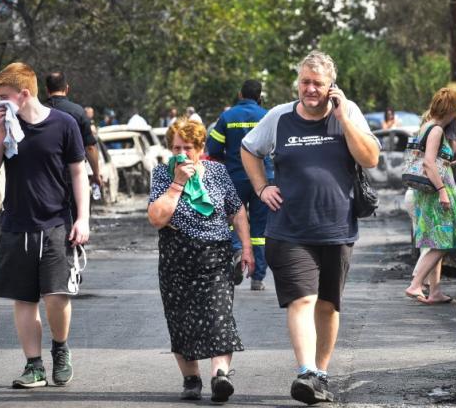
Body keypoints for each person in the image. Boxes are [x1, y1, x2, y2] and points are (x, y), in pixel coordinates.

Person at [241, 51, 379, 405]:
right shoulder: (279, 117)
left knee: (329, 306)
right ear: (297, 83)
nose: (310, 89)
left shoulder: (348, 113)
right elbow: (248, 149)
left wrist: (343, 117)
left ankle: (321, 372)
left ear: (331, 86)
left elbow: (370, 158)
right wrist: (261, 187)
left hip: (336, 228)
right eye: (305, 82)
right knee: (302, 299)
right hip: (288, 229)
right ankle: (306, 372)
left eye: (318, 83)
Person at [0, 62, 90, 388]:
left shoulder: (64, 124)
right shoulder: (7, 127)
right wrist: (0, 133)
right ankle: (34, 366)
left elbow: (78, 173)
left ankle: (60, 349)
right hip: (16, 223)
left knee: (56, 296)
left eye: (4, 96)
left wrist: (83, 218)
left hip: (57, 222)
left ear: (24, 94)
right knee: (24, 299)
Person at [147, 118, 255, 403]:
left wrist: (246, 247)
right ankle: (191, 379)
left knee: (218, 315)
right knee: (180, 318)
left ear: (200, 148)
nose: (181, 154)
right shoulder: (161, 174)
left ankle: (220, 376)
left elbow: (236, 211)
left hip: (215, 254)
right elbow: (157, 218)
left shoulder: (218, 172)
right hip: (175, 255)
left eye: (187, 148)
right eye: (176, 148)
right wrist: (178, 183)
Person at [206, 79, 272, 291]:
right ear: (260, 97)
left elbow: (213, 148)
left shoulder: (227, 117)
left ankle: (236, 250)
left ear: (240, 94)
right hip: (263, 181)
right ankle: (258, 277)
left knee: (233, 219)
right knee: (260, 230)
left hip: (235, 178)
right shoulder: (268, 116)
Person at [404, 87, 456, 304]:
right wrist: (442, 192)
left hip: (430, 190)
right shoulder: (436, 130)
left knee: (437, 239)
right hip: (436, 191)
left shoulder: (428, 126)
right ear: (450, 109)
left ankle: (435, 291)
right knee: (443, 241)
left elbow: (447, 154)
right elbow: (428, 163)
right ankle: (415, 284)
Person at [45, 72, 102, 206]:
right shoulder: (77, 112)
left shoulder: (39, 111)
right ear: (67, 88)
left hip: (45, 179)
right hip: (72, 177)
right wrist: (96, 174)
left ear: (47, 90)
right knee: (76, 217)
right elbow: (90, 147)